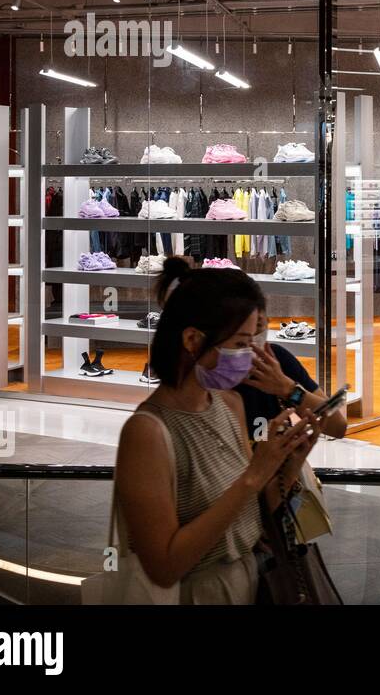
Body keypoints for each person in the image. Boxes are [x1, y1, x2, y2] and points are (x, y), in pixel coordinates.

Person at [114, 257, 321, 603]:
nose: (251, 355)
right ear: (193, 339)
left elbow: (253, 518)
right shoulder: (146, 433)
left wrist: (288, 462)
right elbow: (164, 566)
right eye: (240, 344)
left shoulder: (228, 405)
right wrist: (254, 476)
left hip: (251, 582)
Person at [237, 308, 350, 440]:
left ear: (268, 322)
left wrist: (289, 390)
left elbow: (337, 426)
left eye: (257, 326)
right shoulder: (217, 380)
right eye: (240, 331)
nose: (249, 339)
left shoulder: (277, 359)